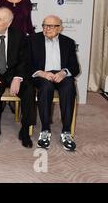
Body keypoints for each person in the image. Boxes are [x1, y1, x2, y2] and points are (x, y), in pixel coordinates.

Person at [0, 7, 36, 148]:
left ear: (9, 23)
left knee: (29, 91)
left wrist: (18, 77)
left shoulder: (19, 35)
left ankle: (25, 130)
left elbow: (24, 60)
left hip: (13, 72)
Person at [29, 15, 80, 151]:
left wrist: (63, 72)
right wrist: (42, 73)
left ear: (60, 28)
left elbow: (75, 67)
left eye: (51, 26)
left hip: (61, 74)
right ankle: (45, 130)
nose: (47, 28)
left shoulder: (68, 42)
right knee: (46, 87)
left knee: (69, 87)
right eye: (45, 25)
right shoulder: (33, 40)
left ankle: (66, 132)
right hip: (42, 74)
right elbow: (26, 63)